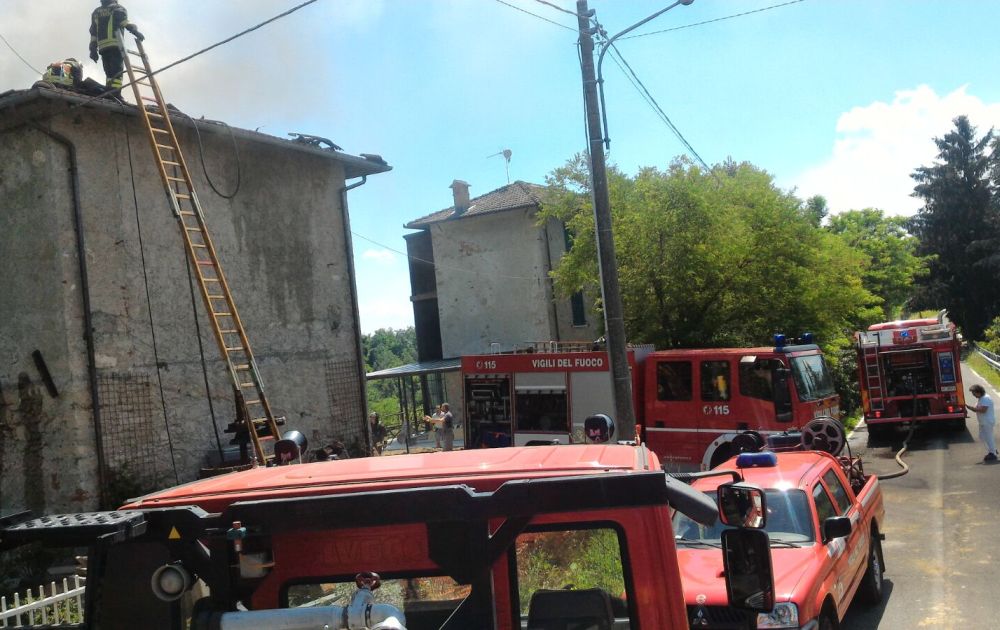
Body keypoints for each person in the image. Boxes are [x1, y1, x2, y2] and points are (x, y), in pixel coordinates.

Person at [89, 0, 144, 93]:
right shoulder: (117, 8)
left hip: (103, 48)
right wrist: (135, 31)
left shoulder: (96, 12)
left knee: (109, 72)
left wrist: (93, 50)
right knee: (117, 73)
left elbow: (93, 33)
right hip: (115, 45)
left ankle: (109, 91)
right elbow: (125, 22)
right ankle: (115, 93)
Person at [966, 384, 996, 462]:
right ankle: (992, 450)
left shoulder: (986, 399)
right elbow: (978, 409)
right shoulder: (981, 398)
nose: (973, 395)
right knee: (982, 437)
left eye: (974, 393)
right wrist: (970, 408)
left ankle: (993, 453)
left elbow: (983, 410)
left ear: (978, 392)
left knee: (988, 437)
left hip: (987, 421)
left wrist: (972, 408)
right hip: (983, 421)